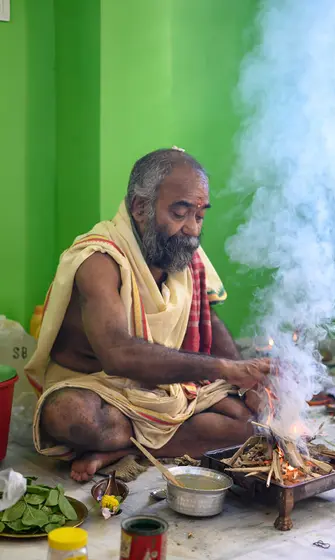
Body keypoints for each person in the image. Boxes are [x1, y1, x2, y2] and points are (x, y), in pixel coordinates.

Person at [25, 148, 272, 481]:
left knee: (252, 424)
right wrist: (224, 368)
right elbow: (117, 353)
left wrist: (247, 381)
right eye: (180, 213)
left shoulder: (185, 252)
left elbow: (208, 321)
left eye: (199, 216)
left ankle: (122, 448)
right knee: (70, 416)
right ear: (140, 207)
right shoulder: (99, 259)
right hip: (99, 388)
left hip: (164, 389)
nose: (192, 229)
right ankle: (139, 439)